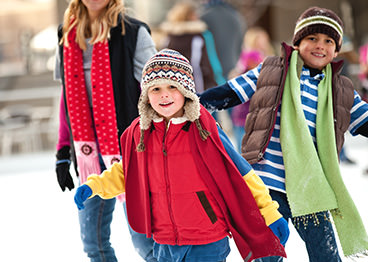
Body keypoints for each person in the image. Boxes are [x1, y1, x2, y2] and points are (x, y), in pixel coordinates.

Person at [74, 49, 289, 262]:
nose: (164, 94)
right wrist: (95, 185)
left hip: (207, 240)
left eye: (172, 87)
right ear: (146, 95)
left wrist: (269, 212)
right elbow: (127, 172)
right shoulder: (142, 134)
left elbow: (241, 173)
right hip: (164, 241)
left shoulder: (204, 130)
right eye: (155, 88)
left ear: (186, 91)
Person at [199, 6, 368, 261]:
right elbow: (231, 92)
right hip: (269, 183)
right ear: (298, 42)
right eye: (312, 38)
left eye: (328, 41)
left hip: (312, 187)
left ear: (336, 49)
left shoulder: (341, 91)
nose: (320, 46)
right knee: (267, 251)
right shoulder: (273, 70)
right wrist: (192, 104)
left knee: (326, 254)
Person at [53, 0, 157, 261]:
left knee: (146, 244)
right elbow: (67, 96)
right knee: (94, 244)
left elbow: (155, 91)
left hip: (129, 151)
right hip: (86, 153)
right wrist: (63, 151)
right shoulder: (65, 34)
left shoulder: (133, 32)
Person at [160, 1, 226, 93]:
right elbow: (207, 62)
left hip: (174, 87)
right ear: (190, 16)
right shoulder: (198, 37)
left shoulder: (169, 37)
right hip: (198, 87)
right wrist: (217, 81)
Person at [228, 27, 274, 152]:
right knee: (245, 147)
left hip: (247, 109)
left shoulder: (256, 56)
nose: (263, 42)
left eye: (264, 39)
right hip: (248, 109)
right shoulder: (252, 55)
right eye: (260, 39)